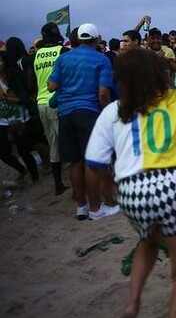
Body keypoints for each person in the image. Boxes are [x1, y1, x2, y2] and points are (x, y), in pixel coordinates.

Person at [85, 48, 176, 318]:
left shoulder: (113, 111)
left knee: (148, 241)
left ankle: (132, 305)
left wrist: (108, 184)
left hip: (131, 190)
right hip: (173, 183)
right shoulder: (174, 99)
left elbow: (94, 160)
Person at [48, 23, 119, 220]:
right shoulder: (101, 59)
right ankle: (96, 209)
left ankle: (82, 207)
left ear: (77, 39)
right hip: (88, 112)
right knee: (92, 162)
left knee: (75, 162)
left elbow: (52, 85)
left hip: (65, 114)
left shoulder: (63, 58)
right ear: (96, 40)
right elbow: (103, 93)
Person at [30, 22, 69, 195]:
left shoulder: (36, 55)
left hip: (41, 103)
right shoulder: (62, 52)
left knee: (53, 144)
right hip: (58, 101)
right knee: (69, 142)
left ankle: (58, 184)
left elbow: (31, 82)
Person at [0, 51, 39, 183]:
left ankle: (35, 178)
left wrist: (6, 98)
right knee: (3, 152)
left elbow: (24, 99)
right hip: (3, 121)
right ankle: (21, 170)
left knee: (24, 151)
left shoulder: (14, 78)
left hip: (20, 119)